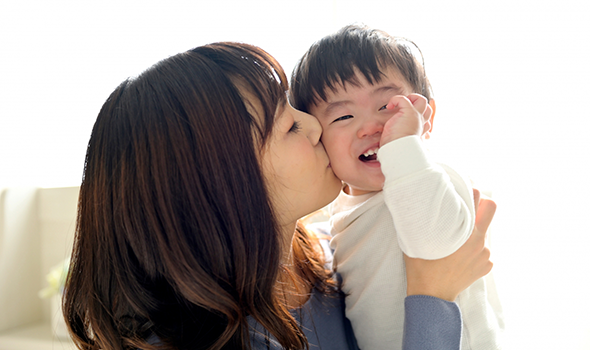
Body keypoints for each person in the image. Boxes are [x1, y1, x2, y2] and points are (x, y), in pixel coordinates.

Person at [62, 41, 496, 350]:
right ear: (224, 181)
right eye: (288, 125)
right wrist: (432, 293)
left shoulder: (327, 256)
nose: (314, 125)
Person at [290, 24, 504, 350]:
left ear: (424, 117)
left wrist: (403, 145)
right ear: (318, 138)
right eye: (344, 117)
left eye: (388, 107)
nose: (372, 127)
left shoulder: (437, 178)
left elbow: (436, 244)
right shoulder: (336, 217)